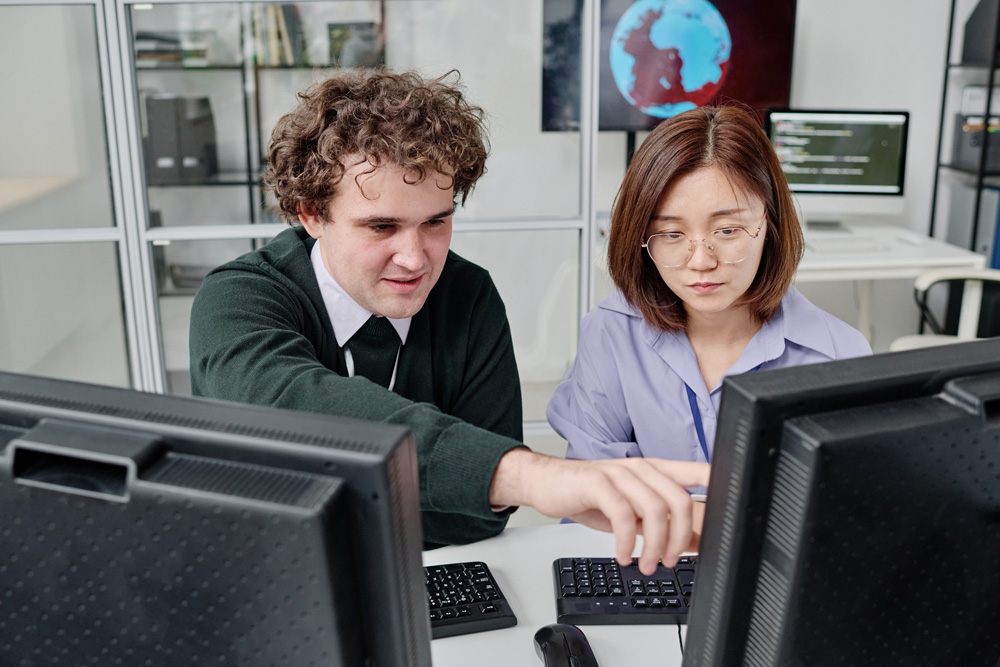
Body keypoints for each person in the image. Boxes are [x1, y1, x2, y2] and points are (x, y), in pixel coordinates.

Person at [189, 68, 708, 573]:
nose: (415, 259)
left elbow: (471, 524)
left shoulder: (468, 294)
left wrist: (340, 492)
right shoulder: (237, 299)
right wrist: (519, 475)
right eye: (381, 226)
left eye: (436, 221)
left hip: (423, 581)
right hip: (271, 577)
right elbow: (292, 404)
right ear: (310, 214)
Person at [547, 105, 872, 466]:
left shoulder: (840, 355)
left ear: (771, 224)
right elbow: (594, 493)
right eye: (671, 233)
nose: (701, 261)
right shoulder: (611, 331)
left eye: (727, 231)